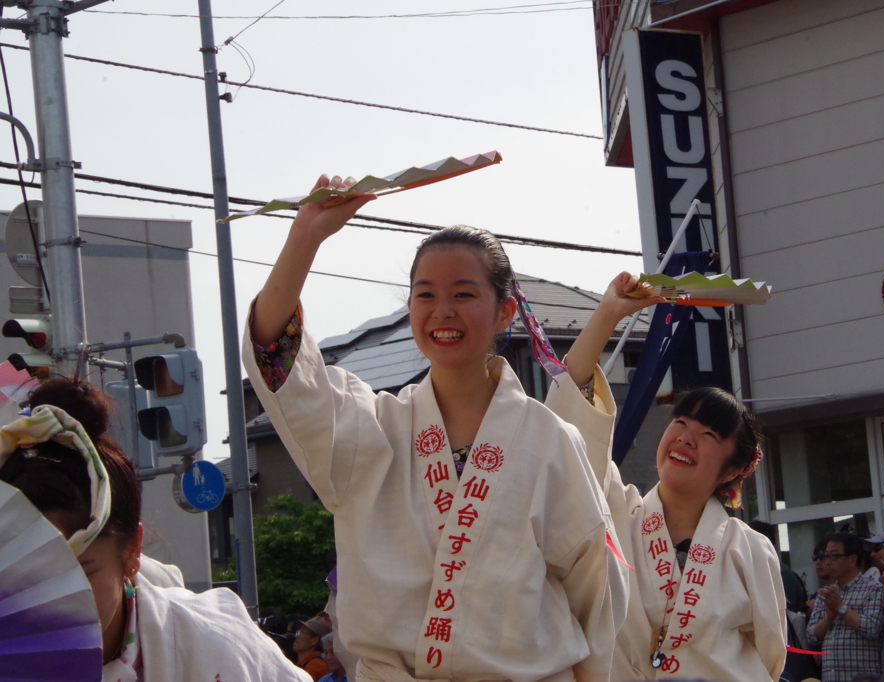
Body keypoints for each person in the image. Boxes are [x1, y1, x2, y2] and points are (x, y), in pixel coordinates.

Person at [244, 175, 627, 682]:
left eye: (464, 293)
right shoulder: (372, 428)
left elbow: (593, 593)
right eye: (425, 294)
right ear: (410, 310)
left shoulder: (551, 439)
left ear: (504, 310)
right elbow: (282, 366)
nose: (442, 311)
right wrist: (305, 237)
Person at [547, 272, 787, 681]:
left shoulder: (748, 549)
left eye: (708, 434)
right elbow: (572, 428)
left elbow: (770, 656)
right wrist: (608, 313)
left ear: (731, 469)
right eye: (681, 422)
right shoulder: (615, 514)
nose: (685, 438)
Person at [0, 377, 307, 682]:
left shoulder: (221, 649)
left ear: (132, 550)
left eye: (79, 572)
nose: (51, 598)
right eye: (25, 580)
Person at [806, 533, 884, 682]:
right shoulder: (826, 593)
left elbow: (872, 628)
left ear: (852, 559)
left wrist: (840, 607)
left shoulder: (874, 589)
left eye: (834, 556)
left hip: (863, 677)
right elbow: (811, 637)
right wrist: (828, 619)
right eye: (826, 556)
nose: (828, 562)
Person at [294, 615, 331, 680]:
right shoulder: (303, 663)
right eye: (299, 632)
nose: (297, 636)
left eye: (303, 632)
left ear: (314, 640)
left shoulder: (316, 665)